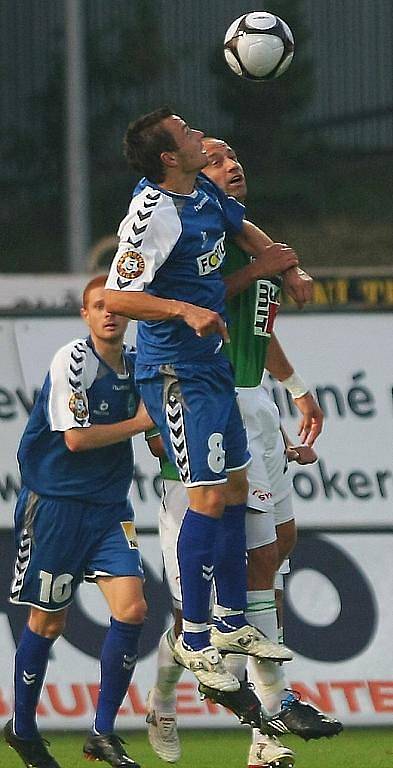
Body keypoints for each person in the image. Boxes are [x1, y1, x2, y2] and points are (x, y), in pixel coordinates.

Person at [144, 138, 342, 768]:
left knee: (278, 550)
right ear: (192, 177)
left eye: (234, 156)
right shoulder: (197, 242)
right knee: (256, 564)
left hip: (256, 400)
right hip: (212, 399)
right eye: (217, 158)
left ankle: (169, 678)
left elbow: (259, 330)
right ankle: (269, 728)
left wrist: (298, 391)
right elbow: (194, 305)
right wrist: (274, 264)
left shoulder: (241, 234)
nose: (233, 164)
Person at [104, 107, 315, 700]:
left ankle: (229, 623)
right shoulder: (150, 216)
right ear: (169, 155)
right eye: (188, 134)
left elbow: (245, 231)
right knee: (206, 495)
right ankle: (193, 634)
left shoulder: (200, 191)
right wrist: (184, 309)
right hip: (172, 370)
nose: (200, 137)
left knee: (236, 492)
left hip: (211, 366)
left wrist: (289, 265)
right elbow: (120, 296)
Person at [3, 275, 154, 768]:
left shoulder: (137, 366)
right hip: (54, 507)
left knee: (132, 610)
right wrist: (143, 423)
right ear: (85, 315)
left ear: (128, 313)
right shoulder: (73, 359)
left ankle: (102, 733)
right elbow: (76, 439)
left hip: (109, 508)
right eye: (98, 307)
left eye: (115, 306)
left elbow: (158, 424)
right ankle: (23, 730)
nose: (108, 314)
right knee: (48, 621)